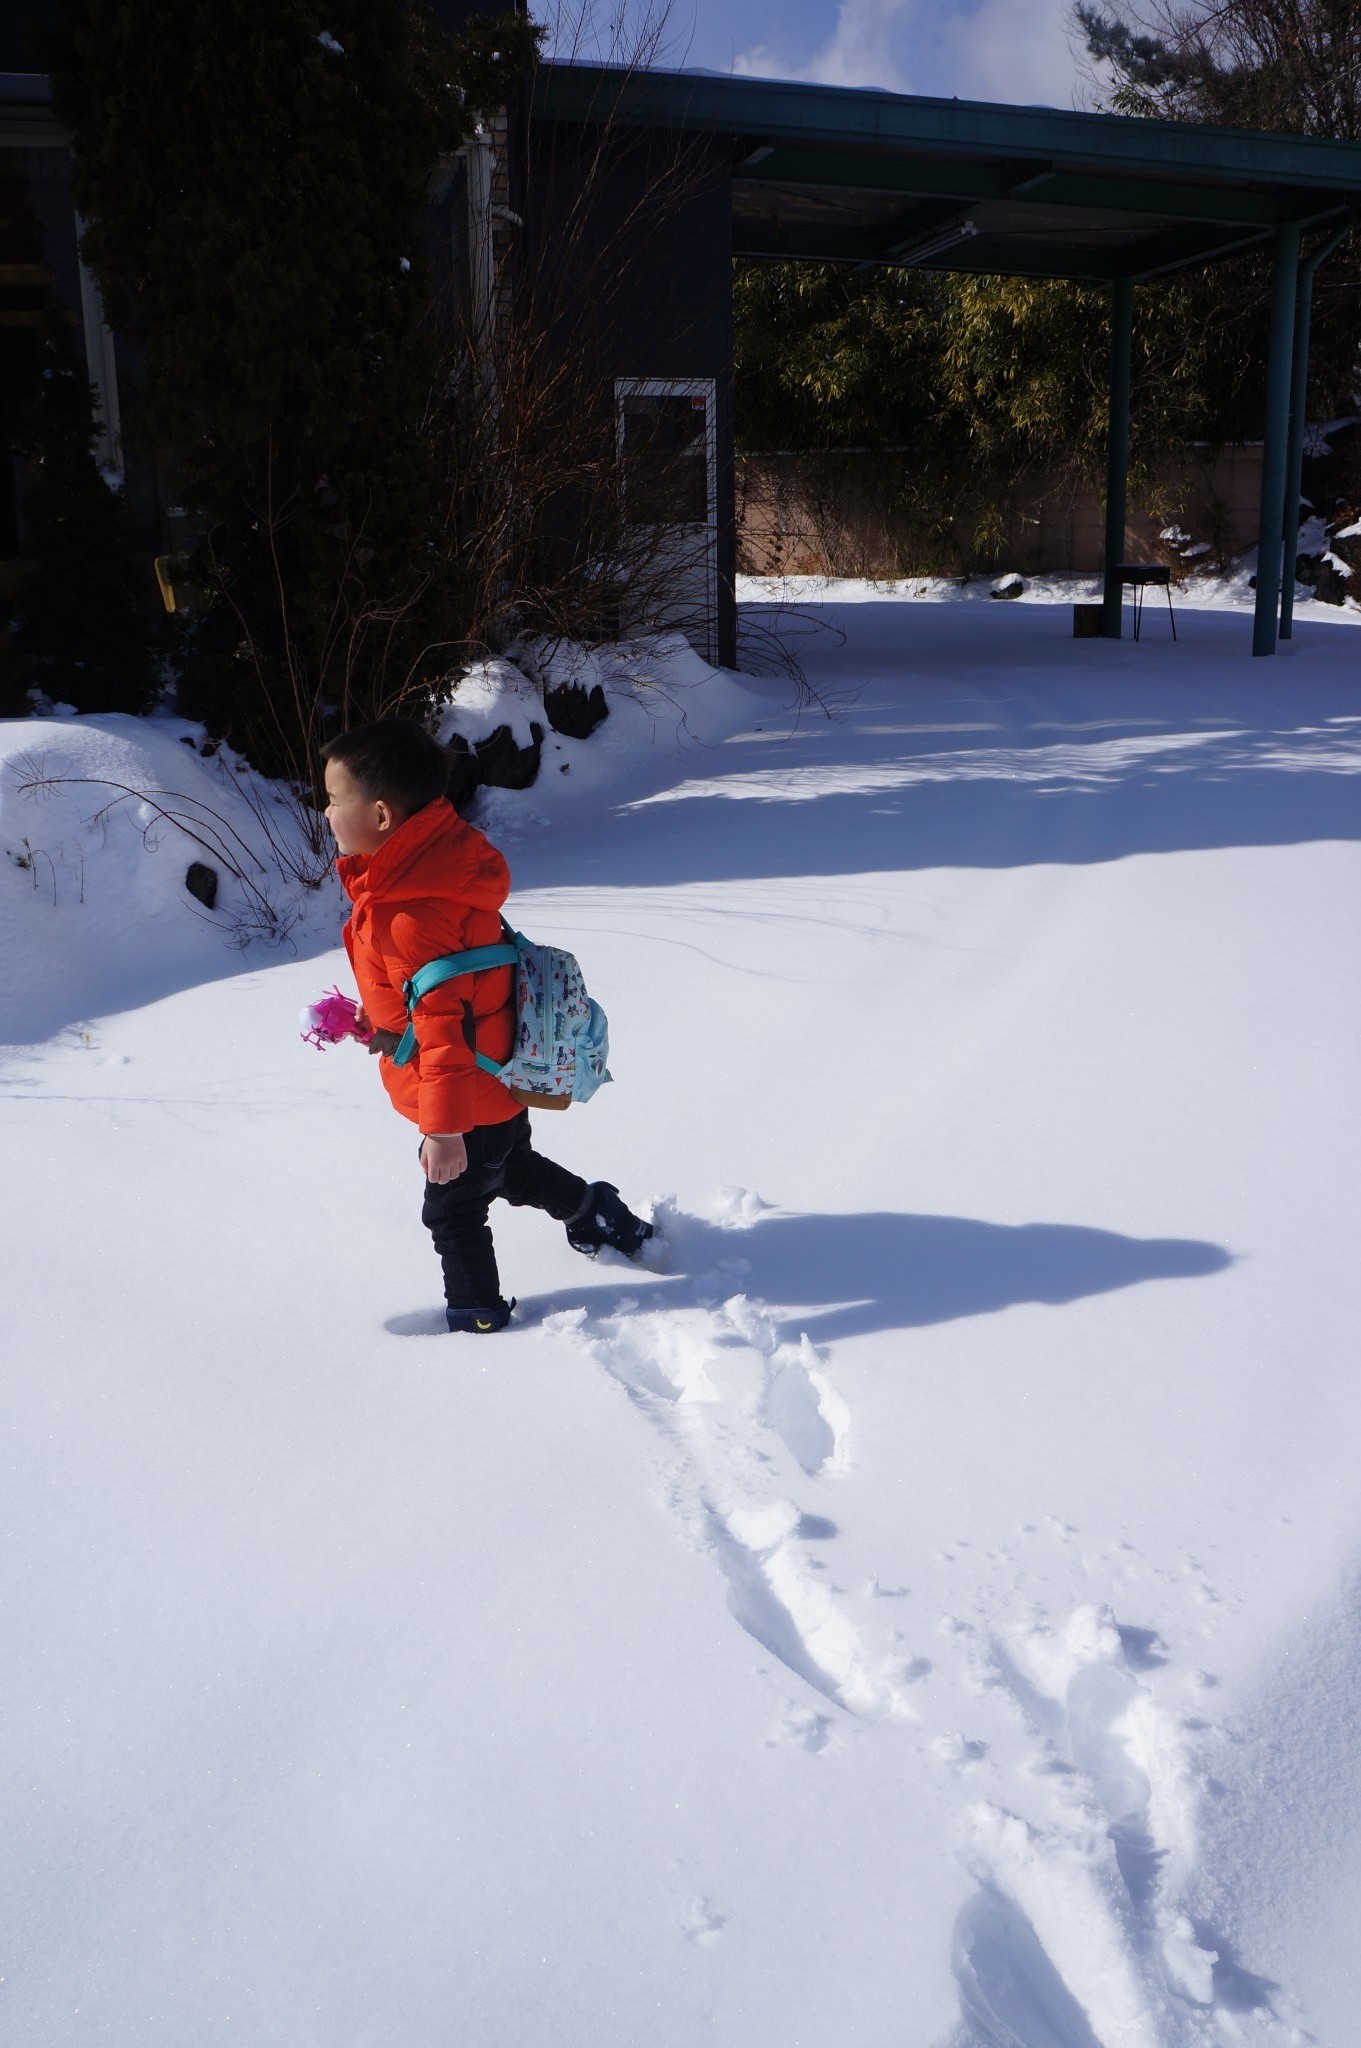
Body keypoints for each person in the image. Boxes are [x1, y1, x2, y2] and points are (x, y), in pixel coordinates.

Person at [321, 718, 652, 1333]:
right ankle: (599, 1214)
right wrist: (381, 1020)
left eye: (336, 800)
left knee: (453, 1213)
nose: (327, 811)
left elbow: (444, 1031)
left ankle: (478, 1314)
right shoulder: (440, 872)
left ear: (384, 816)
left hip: (462, 1099)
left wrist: (441, 1131)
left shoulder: (412, 915)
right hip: (498, 1082)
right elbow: (445, 996)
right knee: (514, 1171)